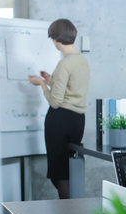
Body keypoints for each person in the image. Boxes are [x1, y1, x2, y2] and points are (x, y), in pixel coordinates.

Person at [28, 19, 89, 199]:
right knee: (69, 170)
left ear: (56, 40)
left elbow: (55, 102)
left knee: (59, 175)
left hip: (60, 120)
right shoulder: (82, 60)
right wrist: (51, 80)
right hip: (78, 120)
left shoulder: (65, 63)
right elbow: (73, 88)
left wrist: (41, 84)